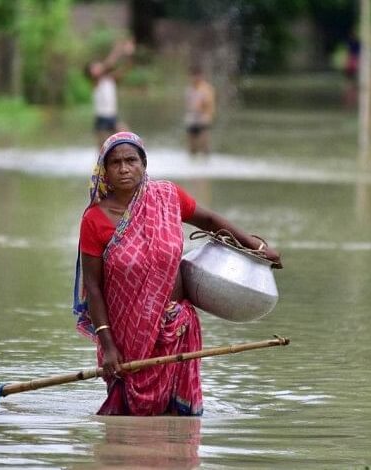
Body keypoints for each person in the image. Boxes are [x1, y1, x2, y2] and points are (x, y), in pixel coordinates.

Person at [73, 132, 281, 416]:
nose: (124, 168)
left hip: (176, 328)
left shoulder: (167, 197)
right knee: (128, 416)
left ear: (144, 164)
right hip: (126, 337)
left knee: (177, 424)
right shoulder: (94, 220)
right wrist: (108, 346)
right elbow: (94, 288)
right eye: (115, 162)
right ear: (104, 170)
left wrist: (255, 246)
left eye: (131, 160)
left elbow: (209, 220)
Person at [84, 38, 135, 148]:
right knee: (103, 151)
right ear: (90, 73)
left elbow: (127, 68)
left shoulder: (109, 79)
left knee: (131, 141)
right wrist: (118, 49)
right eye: (94, 67)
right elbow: (108, 64)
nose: (98, 67)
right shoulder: (95, 82)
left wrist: (129, 54)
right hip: (102, 120)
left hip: (113, 117)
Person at [185, 65, 215, 156]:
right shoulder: (190, 89)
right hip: (193, 117)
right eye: (193, 76)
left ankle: (206, 160)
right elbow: (188, 103)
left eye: (197, 75)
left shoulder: (206, 89)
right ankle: (192, 159)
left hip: (203, 117)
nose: (195, 78)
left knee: (204, 142)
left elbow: (209, 104)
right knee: (191, 143)